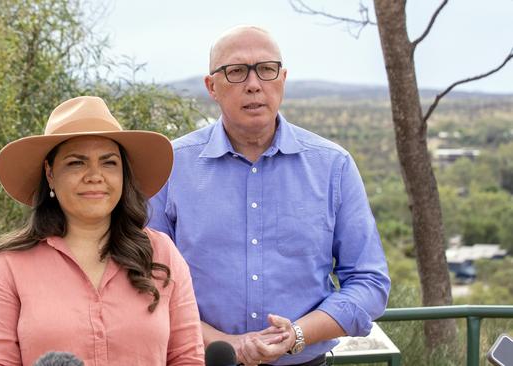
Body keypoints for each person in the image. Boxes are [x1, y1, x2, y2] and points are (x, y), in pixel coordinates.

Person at [148, 25, 391, 366]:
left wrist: (297, 335)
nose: (253, 83)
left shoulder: (333, 166)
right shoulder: (171, 167)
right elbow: (148, 280)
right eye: (236, 71)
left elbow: (369, 282)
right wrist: (223, 344)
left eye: (266, 69)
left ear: (283, 79)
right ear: (211, 87)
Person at [0, 96, 205, 366]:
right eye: (76, 163)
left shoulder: (163, 254)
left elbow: (188, 359)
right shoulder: (8, 266)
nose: (95, 175)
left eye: (109, 163)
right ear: (50, 173)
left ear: (123, 174)